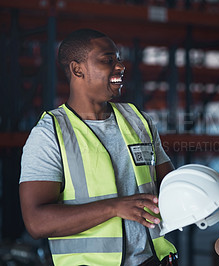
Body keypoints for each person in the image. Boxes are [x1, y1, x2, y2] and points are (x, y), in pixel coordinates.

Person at [19, 29, 178, 266]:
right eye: (107, 60)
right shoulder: (50, 134)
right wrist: (114, 208)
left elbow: (171, 184)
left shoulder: (138, 120)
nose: (120, 67)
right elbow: (36, 221)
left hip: (152, 260)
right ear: (77, 69)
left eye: (119, 59)